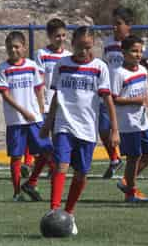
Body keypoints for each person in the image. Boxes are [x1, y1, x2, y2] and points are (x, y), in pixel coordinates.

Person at [40, 26, 120, 235]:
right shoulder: (62, 65)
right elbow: (58, 96)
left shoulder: (99, 67)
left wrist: (115, 130)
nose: (83, 51)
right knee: (61, 167)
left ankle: (69, 214)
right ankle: (54, 211)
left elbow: (108, 100)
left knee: (81, 174)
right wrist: (49, 122)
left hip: (87, 128)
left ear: (92, 45)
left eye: (87, 47)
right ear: (72, 42)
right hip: (64, 125)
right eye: (79, 46)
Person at [0, 31, 53, 202]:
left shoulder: (31, 65)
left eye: (16, 47)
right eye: (9, 47)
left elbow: (39, 88)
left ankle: (31, 182)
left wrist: (41, 110)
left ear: (24, 47)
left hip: (34, 118)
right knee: (16, 156)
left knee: (46, 151)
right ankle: (16, 193)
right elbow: (5, 95)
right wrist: (22, 111)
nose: (13, 50)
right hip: (16, 120)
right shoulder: (3, 68)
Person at [111, 35, 148, 202]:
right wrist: (135, 100)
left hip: (142, 121)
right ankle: (130, 193)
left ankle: (126, 181)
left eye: (140, 51)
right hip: (127, 123)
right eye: (134, 51)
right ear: (123, 53)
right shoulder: (118, 73)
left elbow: (142, 90)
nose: (138, 55)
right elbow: (113, 98)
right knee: (133, 157)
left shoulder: (143, 71)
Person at [33, 18, 72, 178]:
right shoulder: (42, 54)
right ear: (49, 36)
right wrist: (41, 104)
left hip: (63, 105)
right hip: (48, 104)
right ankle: (41, 171)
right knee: (45, 143)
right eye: (57, 36)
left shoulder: (69, 56)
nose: (61, 39)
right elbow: (40, 81)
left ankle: (44, 173)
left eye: (63, 35)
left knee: (58, 141)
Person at [99, 6, 134, 178]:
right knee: (104, 129)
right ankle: (115, 159)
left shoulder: (134, 44)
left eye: (118, 24)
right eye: (113, 24)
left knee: (129, 131)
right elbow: (104, 66)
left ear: (129, 25)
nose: (114, 27)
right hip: (109, 94)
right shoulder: (107, 43)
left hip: (127, 94)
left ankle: (132, 162)